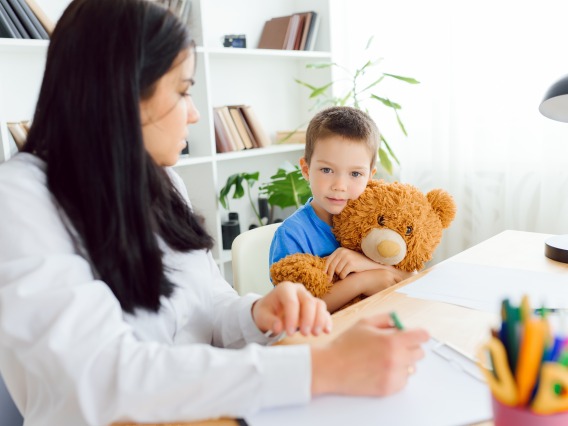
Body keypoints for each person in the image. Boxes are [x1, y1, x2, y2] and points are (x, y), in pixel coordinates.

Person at [0, 0, 429, 424]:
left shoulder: (164, 183)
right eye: (184, 91)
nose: (193, 114)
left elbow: (208, 304)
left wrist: (257, 314)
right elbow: (101, 379)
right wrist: (324, 367)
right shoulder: (19, 200)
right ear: (123, 90)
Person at [270, 106, 413, 312]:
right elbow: (296, 310)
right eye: (327, 170)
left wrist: (367, 263)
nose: (339, 185)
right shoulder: (292, 234)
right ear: (306, 170)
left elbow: (412, 276)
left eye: (355, 174)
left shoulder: (378, 219)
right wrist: (361, 282)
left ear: (369, 176)